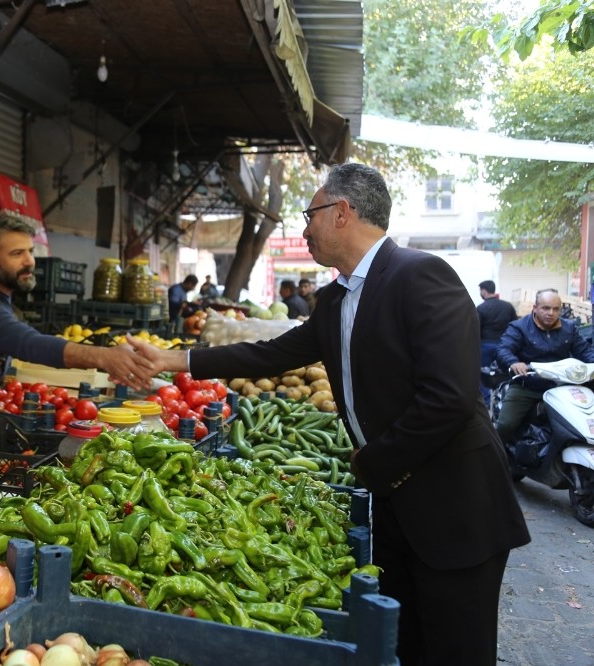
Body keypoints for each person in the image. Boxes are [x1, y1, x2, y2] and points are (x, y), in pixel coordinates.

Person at [128, 162, 530, 666]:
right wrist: (176, 360)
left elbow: (447, 397)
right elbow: (269, 354)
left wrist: (372, 462)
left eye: (310, 215)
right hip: (396, 505)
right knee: (404, 646)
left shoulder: (420, 275)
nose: (304, 228)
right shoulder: (337, 297)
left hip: (455, 505)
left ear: (342, 213)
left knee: (455, 651)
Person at [0, 213, 153, 399]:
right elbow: (31, 344)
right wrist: (104, 356)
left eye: (30, 251)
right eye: (17, 254)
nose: (29, 261)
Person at [494, 288, 594, 443]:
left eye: (555, 309)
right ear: (535, 308)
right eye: (546, 308)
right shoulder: (519, 327)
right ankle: (497, 457)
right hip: (528, 386)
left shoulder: (569, 328)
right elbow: (503, 349)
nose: (551, 313)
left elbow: (585, 351)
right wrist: (513, 362)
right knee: (506, 425)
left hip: (561, 387)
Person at [477, 280, 518, 403]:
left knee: (483, 374)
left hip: (486, 345)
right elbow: (515, 325)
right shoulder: (508, 306)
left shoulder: (481, 308)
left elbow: (475, 328)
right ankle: (505, 398)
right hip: (505, 345)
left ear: (484, 291)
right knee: (507, 372)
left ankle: (486, 401)